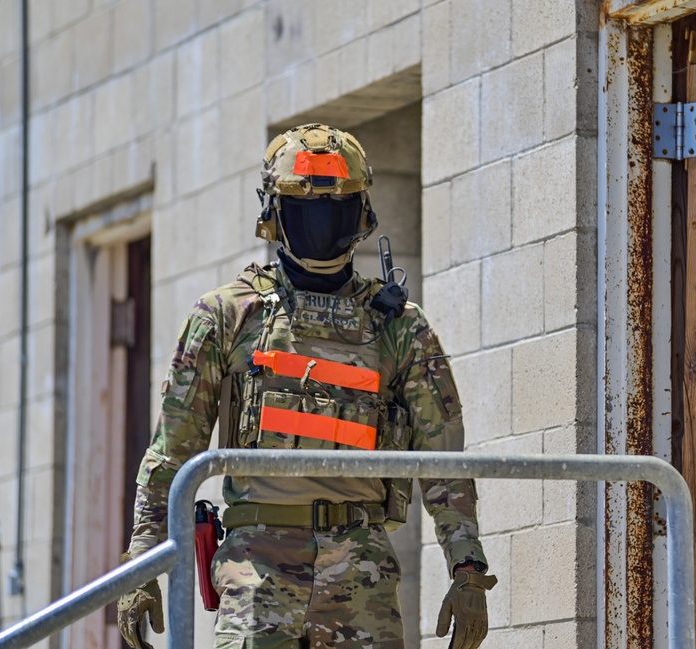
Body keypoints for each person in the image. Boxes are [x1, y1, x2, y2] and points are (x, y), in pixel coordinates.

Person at [117, 123, 496, 649]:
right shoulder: (227, 316)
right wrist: (140, 565)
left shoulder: (400, 326)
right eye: (304, 206)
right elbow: (172, 451)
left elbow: (446, 465)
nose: (320, 219)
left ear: (360, 213)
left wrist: (468, 569)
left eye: (335, 206)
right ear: (274, 213)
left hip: (362, 572)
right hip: (256, 572)